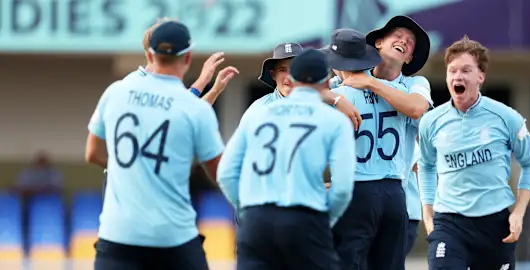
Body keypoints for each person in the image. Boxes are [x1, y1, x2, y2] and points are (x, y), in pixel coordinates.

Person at [85, 21, 224, 270]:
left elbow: (92, 153)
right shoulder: (194, 109)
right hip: (173, 237)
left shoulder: (116, 91)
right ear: (188, 57)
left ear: (150, 53)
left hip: (118, 235)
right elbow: (220, 174)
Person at [217, 48, 356, 270]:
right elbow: (342, 189)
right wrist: (324, 219)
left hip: (256, 220)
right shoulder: (333, 119)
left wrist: (247, 209)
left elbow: (225, 173)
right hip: (305, 217)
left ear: (294, 77)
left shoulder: (258, 113)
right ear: (327, 81)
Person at [417, 36, 530, 270]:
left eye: (466, 70)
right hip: (449, 224)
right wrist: (427, 212)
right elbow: (426, 165)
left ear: (480, 76)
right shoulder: (431, 121)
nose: (458, 76)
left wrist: (518, 214)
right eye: (452, 71)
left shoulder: (506, 117)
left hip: (494, 225)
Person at [329, 15, 434, 258]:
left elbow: (417, 108)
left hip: (397, 196)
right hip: (354, 189)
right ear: (378, 42)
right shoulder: (349, 79)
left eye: (410, 42)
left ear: (409, 58)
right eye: (397, 35)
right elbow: (311, 91)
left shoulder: (415, 83)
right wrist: (334, 97)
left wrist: (370, 83)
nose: (404, 41)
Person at [324, 28, 409, 270]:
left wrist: (329, 96)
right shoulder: (396, 91)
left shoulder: (336, 96)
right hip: (395, 193)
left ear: (337, 64)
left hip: (356, 190)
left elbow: (296, 99)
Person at [248, 42, 363, 131]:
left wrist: (337, 99)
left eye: (294, 69)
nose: (289, 77)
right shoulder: (259, 109)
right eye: (283, 70)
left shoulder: (326, 104)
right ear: (273, 75)